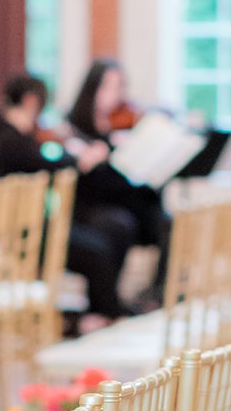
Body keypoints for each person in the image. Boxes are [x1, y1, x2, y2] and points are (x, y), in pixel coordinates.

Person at [0, 72, 134, 325]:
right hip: (26, 230)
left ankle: (104, 311)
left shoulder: (19, 135)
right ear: (31, 101)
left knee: (107, 236)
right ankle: (103, 314)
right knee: (98, 251)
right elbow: (48, 162)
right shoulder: (12, 140)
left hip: (37, 223)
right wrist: (80, 158)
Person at [63, 57, 171, 296]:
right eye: (108, 86)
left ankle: (157, 292)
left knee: (164, 218)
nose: (115, 94)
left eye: (120, 86)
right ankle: (108, 298)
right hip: (90, 205)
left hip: (122, 198)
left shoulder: (123, 124)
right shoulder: (77, 127)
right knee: (119, 223)